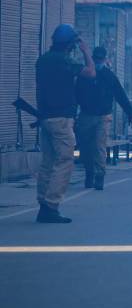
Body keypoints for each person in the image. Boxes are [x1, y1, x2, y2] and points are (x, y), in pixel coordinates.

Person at [35, 24, 96, 223]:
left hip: (45, 118)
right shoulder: (65, 61)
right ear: (70, 45)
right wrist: (86, 51)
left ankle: (43, 203)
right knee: (64, 161)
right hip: (61, 119)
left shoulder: (42, 61)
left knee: (48, 162)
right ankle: (52, 205)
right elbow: (90, 72)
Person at [76, 46, 132, 191]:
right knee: (85, 148)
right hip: (86, 116)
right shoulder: (84, 75)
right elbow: (75, 95)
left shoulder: (109, 76)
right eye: (96, 59)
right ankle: (89, 173)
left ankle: (99, 176)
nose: (98, 62)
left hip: (103, 117)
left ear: (104, 59)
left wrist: (130, 113)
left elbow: (121, 95)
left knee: (99, 146)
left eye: (100, 59)